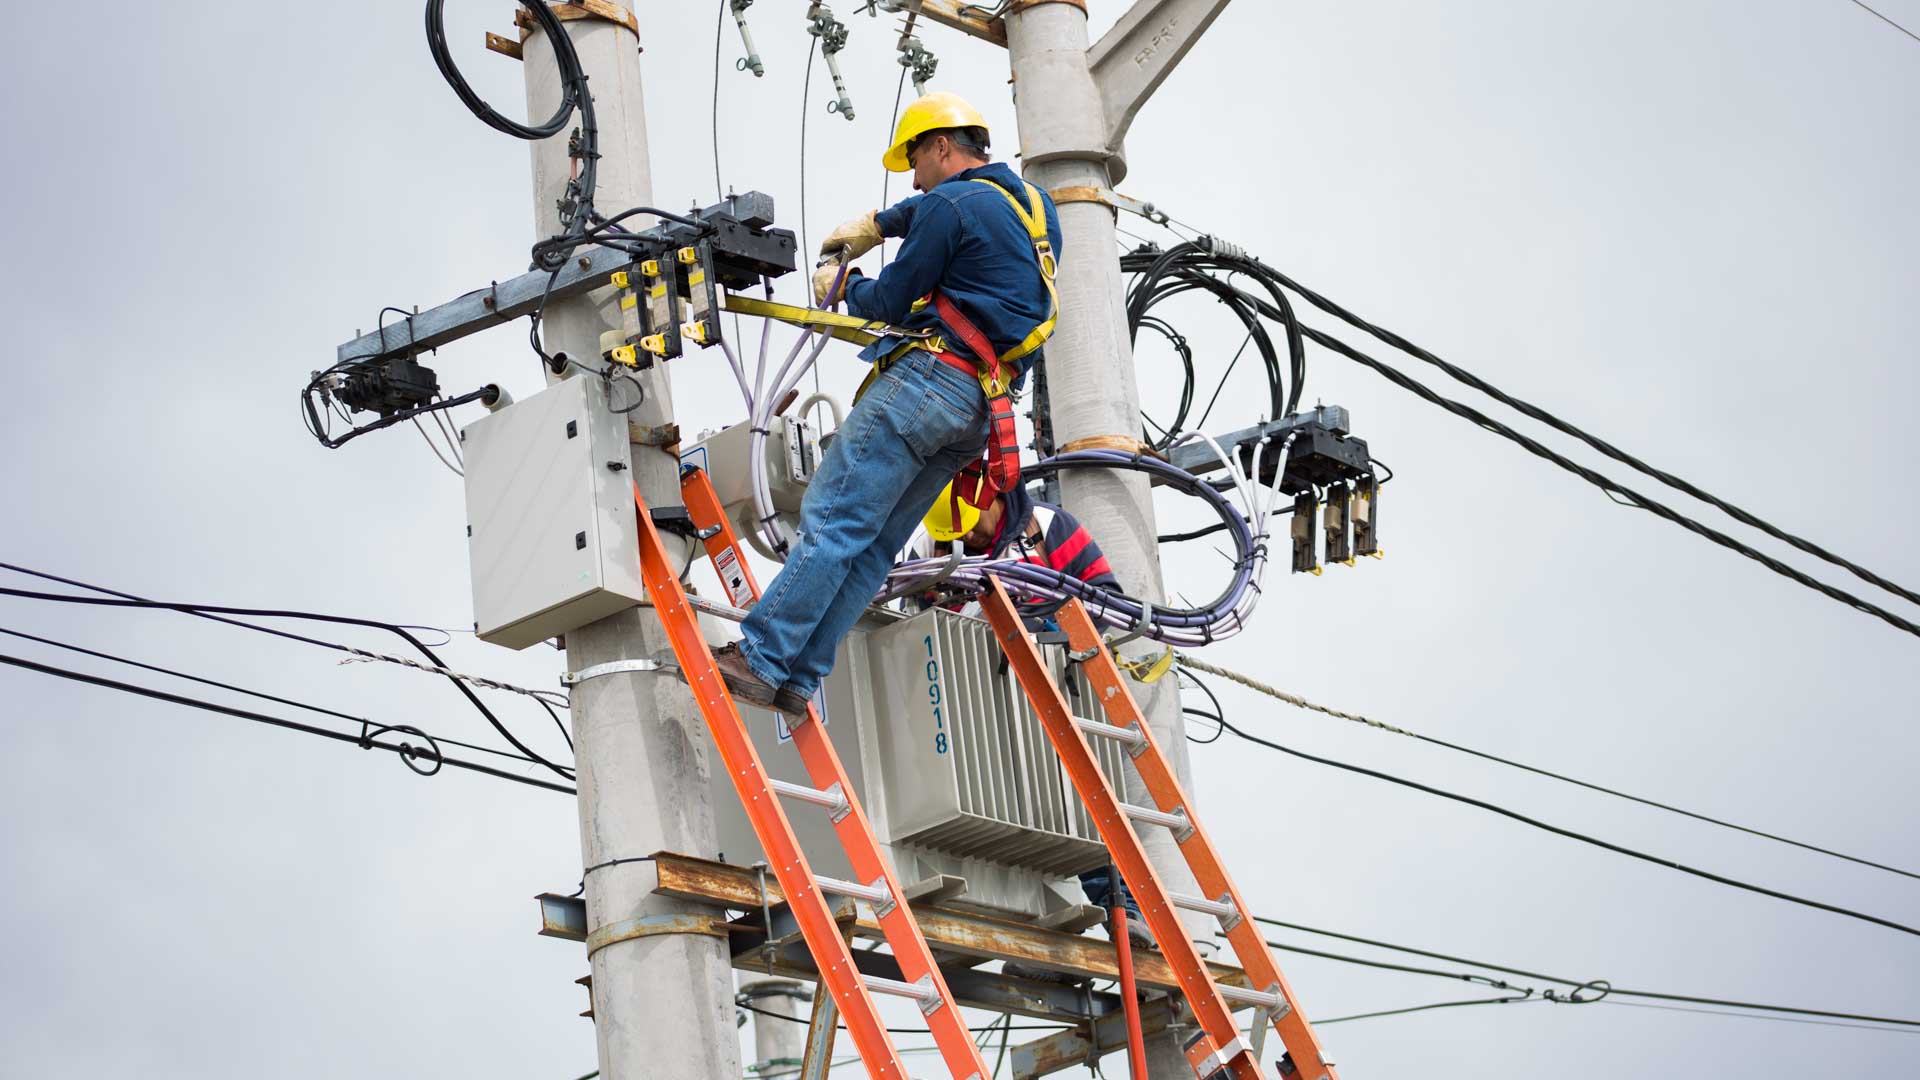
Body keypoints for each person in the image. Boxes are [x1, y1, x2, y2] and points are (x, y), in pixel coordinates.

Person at [691, 91, 1063, 719]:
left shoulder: (950, 202)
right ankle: (797, 677)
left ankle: (760, 658)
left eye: (916, 161)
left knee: (833, 523)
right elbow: (941, 210)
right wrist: (881, 223)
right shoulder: (1032, 209)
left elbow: (888, 302)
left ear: (941, 147)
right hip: (977, 409)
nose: (914, 177)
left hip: (924, 387)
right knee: (870, 549)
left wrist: (843, 283)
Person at [915, 480, 1151, 947]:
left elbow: (1107, 602)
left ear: (992, 497)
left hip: (1057, 689)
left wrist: (1041, 620)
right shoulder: (931, 547)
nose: (971, 540)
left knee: (1077, 803)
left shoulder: (1049, 528)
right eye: (958, 533)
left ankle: (1123, 912)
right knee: (997, 815)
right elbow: (922, 621)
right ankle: (1027, 932)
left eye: (974, 527)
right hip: (978, 699)